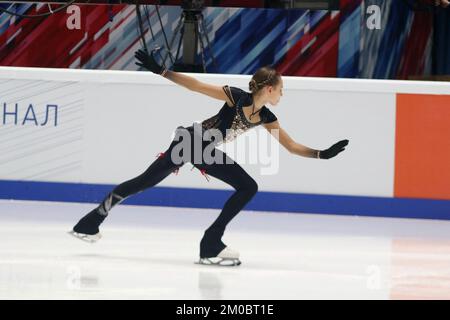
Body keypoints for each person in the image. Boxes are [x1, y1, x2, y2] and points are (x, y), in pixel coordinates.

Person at [69, 49, 349, 266]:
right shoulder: (236, 97)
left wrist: (322, 154)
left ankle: (90, 222)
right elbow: (196, 85)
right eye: (281, 89)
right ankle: (210, 243)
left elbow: (290, 146)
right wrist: (161, 71)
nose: (282, 94)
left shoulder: (266, 116)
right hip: (191, 141)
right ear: (269, 89)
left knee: (149, 182)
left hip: (201, 148)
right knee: (148, 182)